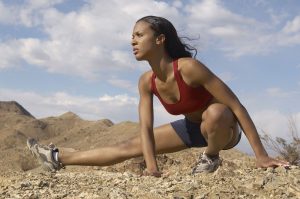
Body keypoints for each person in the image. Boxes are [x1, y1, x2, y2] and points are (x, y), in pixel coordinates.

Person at [27, 16, 289, 177]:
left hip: (224, 130)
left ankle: (210, 157)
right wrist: (151, 165)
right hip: (191, 128)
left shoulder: (188, 68)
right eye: (132, 36)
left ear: (160, 39)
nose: (133, 41)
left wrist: (261, 156)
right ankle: (58, 158)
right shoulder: (146, 82)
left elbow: (237, 107)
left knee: (216, 112)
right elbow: (146, 128)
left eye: (139, 35)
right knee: (129, 146)